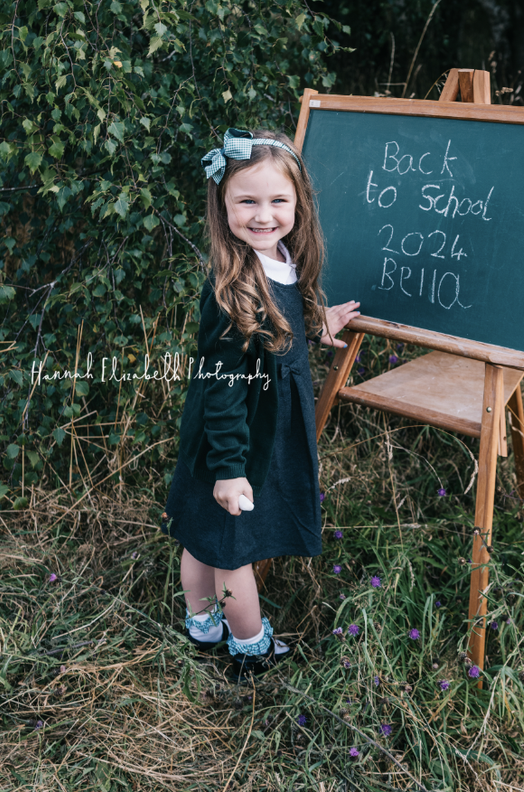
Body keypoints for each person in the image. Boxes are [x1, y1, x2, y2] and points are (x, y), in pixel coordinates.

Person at [162, 127, 359, 679]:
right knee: (233, 548)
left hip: (250, 432)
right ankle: (249, 646)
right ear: (222, 204)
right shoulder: (234, 287)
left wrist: (317, 324)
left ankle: (201, 623)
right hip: (238, 439)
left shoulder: (280, 262)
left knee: (203, 531)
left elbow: (275, 335)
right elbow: (223, 384)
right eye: (246, 201)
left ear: (299, 203)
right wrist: (229, 469)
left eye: (278, 201)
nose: (263, 215)